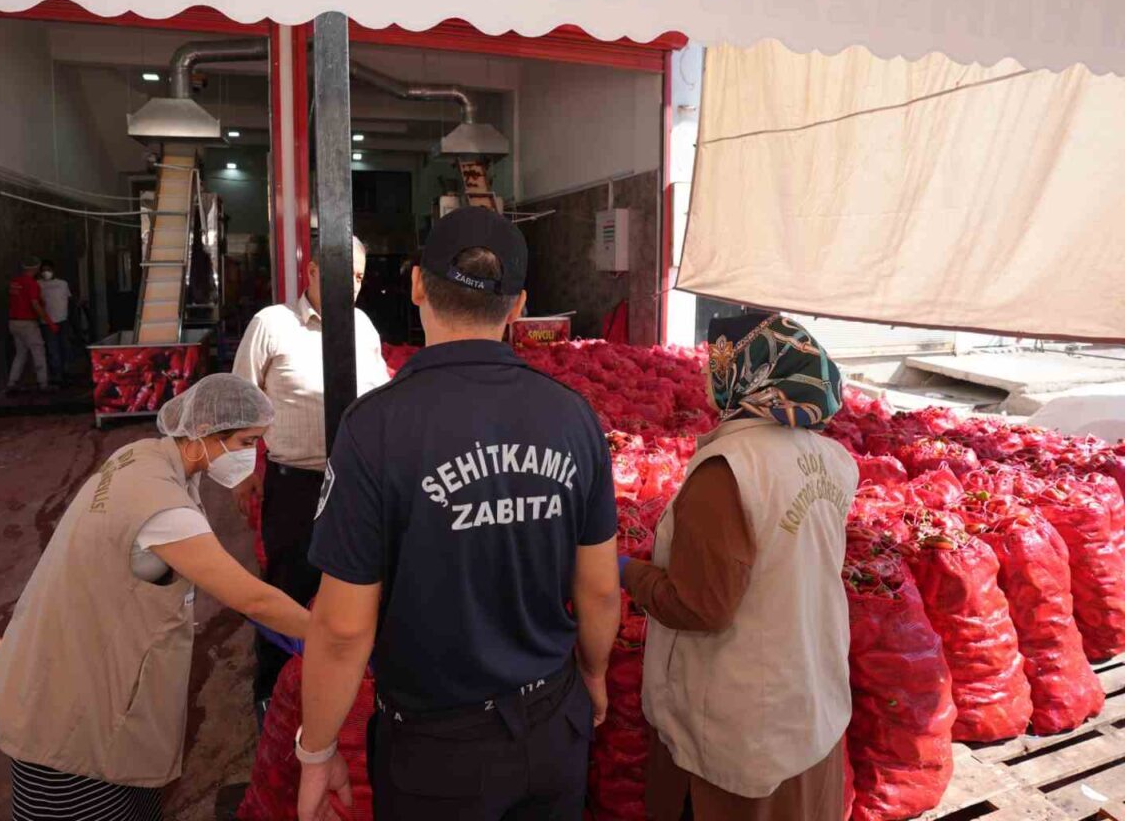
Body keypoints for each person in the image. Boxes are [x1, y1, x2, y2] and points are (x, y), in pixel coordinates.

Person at [295, 207, 621, 821]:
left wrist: (317, 750)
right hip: (553, 726)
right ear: (519, 306)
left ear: (418, 285)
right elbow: (601, 589)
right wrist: (595, 674)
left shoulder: (374, 428)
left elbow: (342, 628)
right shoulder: (573, 418)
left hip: (437, 754)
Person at [0, 374, 310, 821]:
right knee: (84, 799)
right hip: (76, 702)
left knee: (127, 797)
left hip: (58, 659)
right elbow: (253, 600)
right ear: (203, 432)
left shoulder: (139, 456)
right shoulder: (162, 509)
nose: (251, 454)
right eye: (245, 441)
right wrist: (336, 636)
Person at [621, 313, 857, 821]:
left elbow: (700, 607)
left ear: (746, 374)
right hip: (808, 690)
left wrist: (625, 571)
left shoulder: (728, 468)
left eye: (717, 365)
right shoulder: (833, 458)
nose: (708, 377)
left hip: (742, 712)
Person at [231, 234, 390, 722]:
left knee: (354, 588)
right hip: (296, 485)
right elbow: (239, 399)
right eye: (345, 274)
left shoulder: (363, 328)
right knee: (288, 587)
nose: (353, 286)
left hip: (359, 485)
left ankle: (347, 692)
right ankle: (273, 692)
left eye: (360, 276)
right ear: (314, 271)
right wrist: (240, 471)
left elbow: (381, 397)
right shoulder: (272, 325)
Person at [7, 256, 57, 393]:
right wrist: (49, 322)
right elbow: (35, 305)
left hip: (13, 323)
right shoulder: (32, 284)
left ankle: (12, 382)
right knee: (38, 351)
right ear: (36, 268)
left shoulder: (14, 282)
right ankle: (43, 384)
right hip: (27, 324)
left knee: (20, 353)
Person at [37, 259, 73, 386]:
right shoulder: (38, 284)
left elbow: (69, 300)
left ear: (53, 271)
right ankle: (57, 375)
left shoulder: (62, 284)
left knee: (65, 346)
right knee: (52, 348)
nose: (46, 273)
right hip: (47, 322)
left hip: (63, 320)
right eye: (43, 270)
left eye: (48, 270)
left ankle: (66, 371)